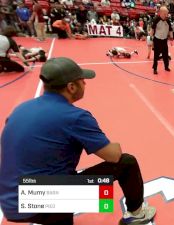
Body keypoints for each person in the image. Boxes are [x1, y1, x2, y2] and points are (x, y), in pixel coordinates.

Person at [0, 57, 156, 225]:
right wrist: (116, 145)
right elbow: (113, 156)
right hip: (42, 199)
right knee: (126, 163)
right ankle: (136, 214)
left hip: (9, 202)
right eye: (82, 81)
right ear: (71, 87)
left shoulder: (22, 108)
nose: (85, 84)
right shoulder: (75, 116)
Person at [150, 6, 173, 75]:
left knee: (165, 55)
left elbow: (170, 30)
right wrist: (151, 40)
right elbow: (152, 29)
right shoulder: (156, 19)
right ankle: (155, 68)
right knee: (156, 55)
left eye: (167, 13)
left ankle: (166, 67)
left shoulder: (168, 20)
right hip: (157, 40)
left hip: (164, 40)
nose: (166, 15)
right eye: (165, 13)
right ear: (161, 13)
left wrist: (171, 38)